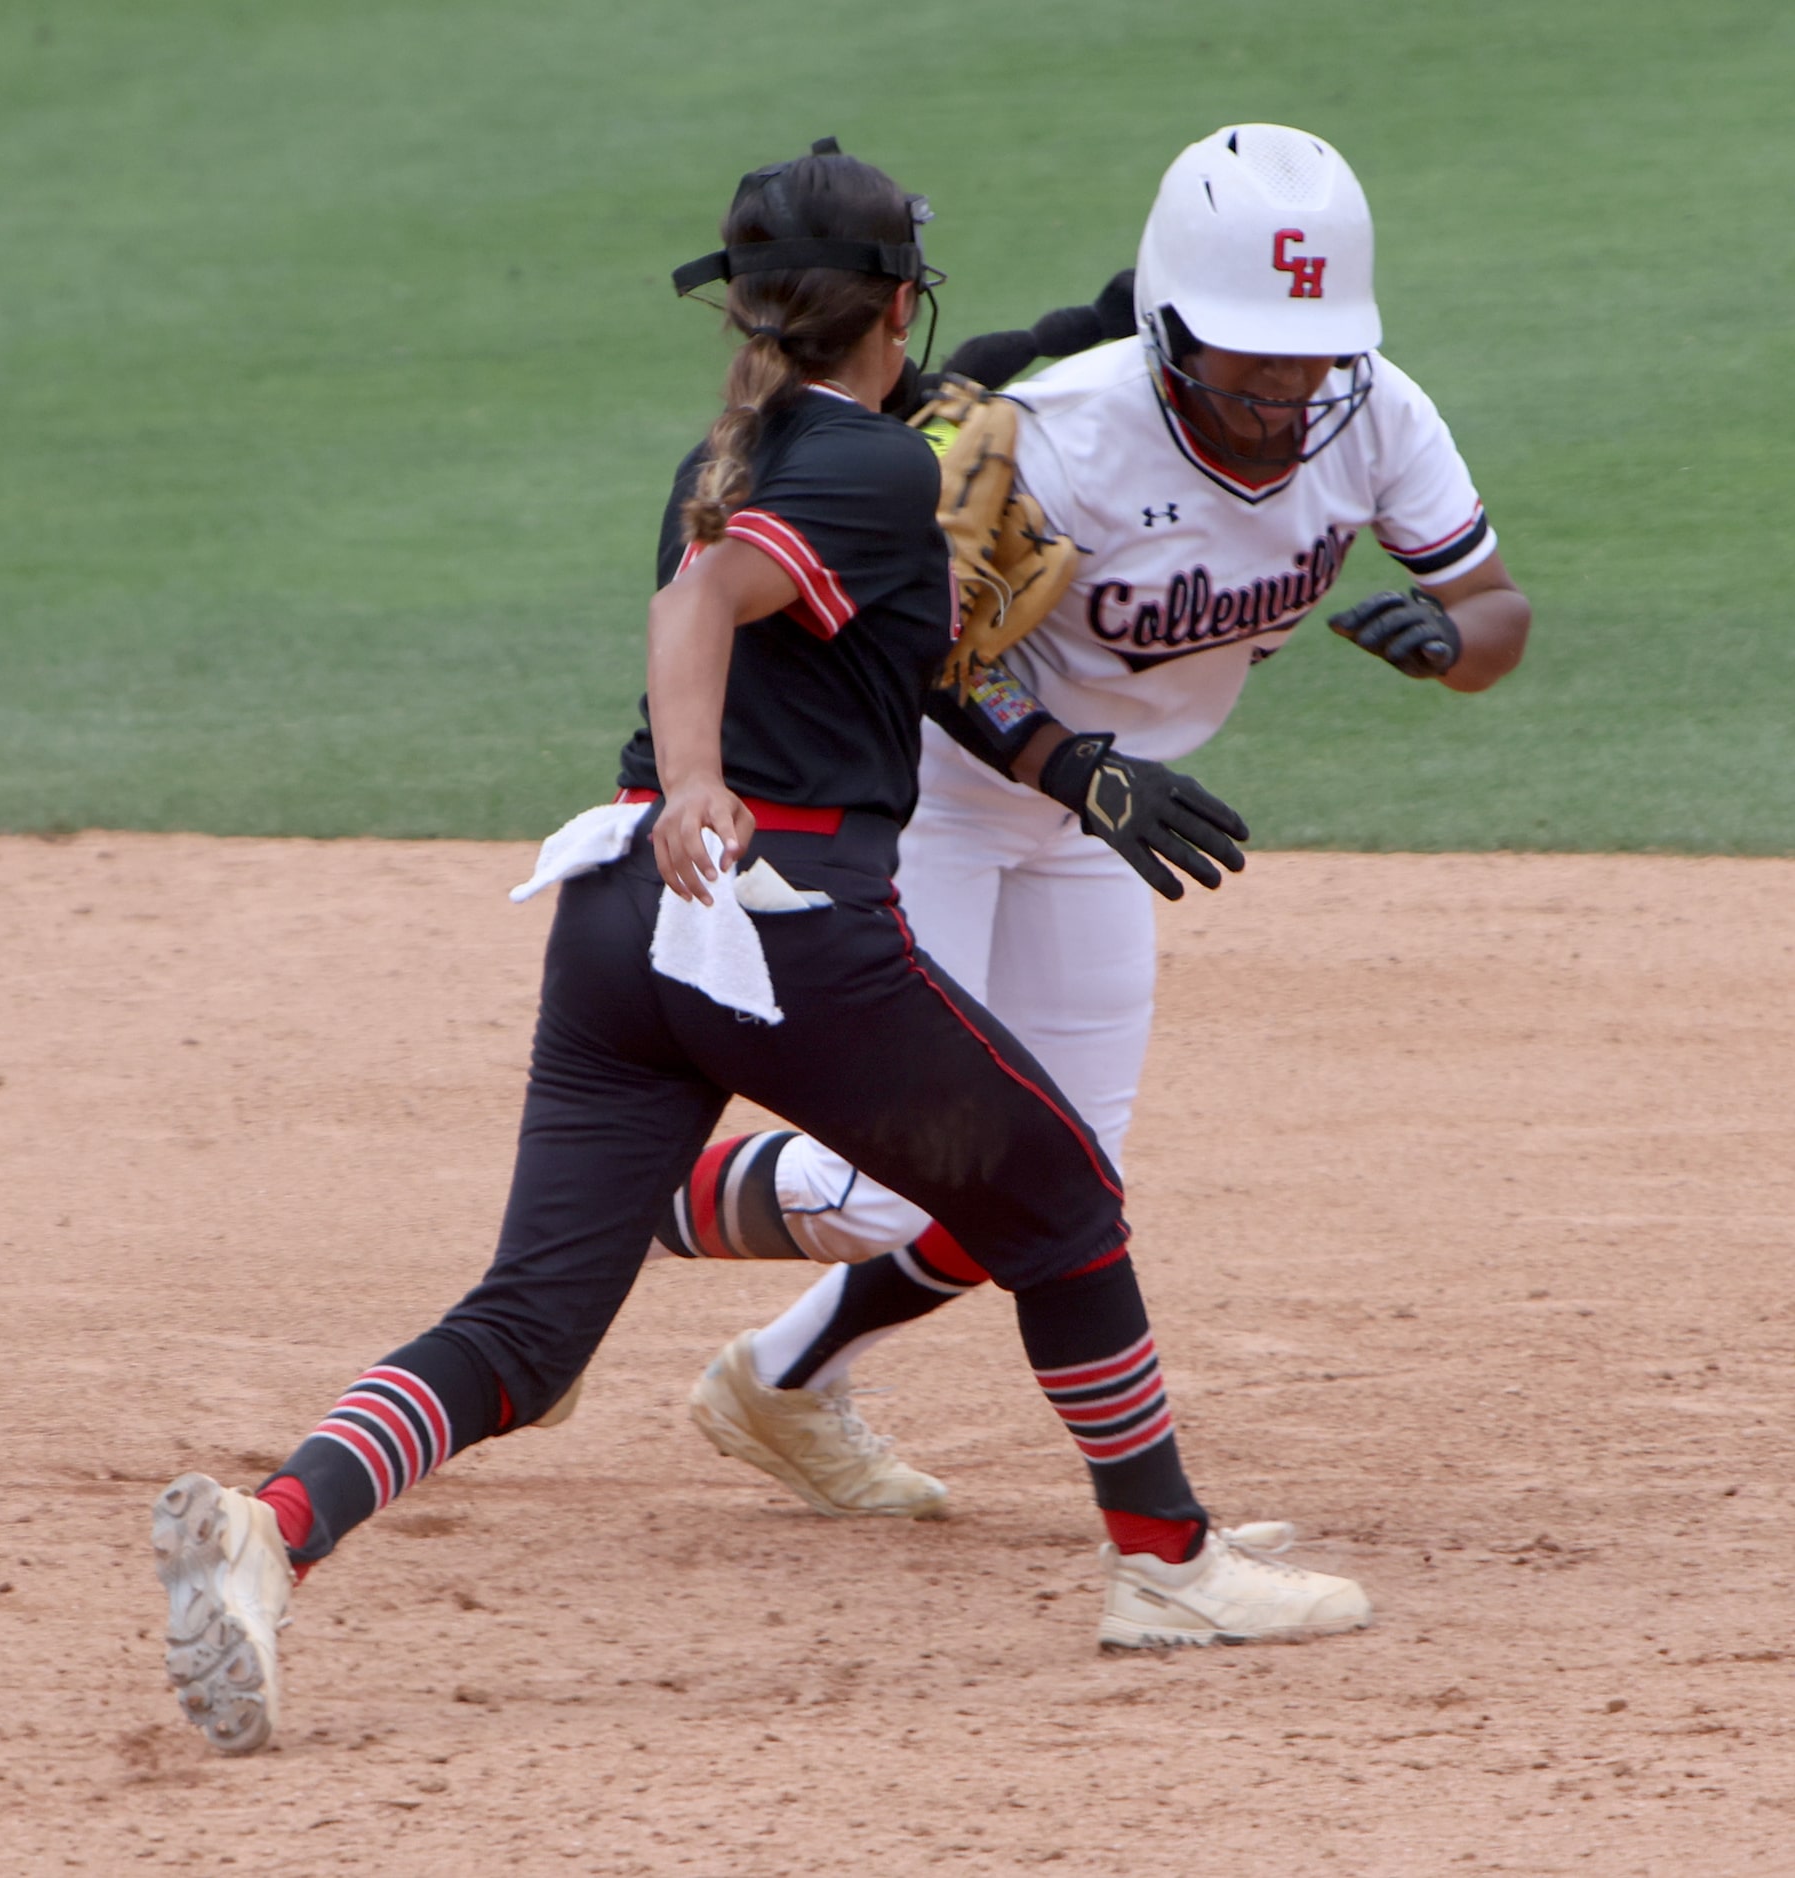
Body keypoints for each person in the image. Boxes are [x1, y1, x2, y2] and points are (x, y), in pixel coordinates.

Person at [149, 140, 1371, 1758]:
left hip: (617, 928)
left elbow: (862, 530)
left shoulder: (753, 442)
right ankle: (1167, 1565)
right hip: (781, 922)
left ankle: (272, 1529)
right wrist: (710, 781)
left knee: (528, 1324)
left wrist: (1050, 745)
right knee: (1065, 1197)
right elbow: (702, 608)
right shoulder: (862, 479)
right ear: (896, 298)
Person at [658, 124, 1533, 1522]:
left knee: (1062, 1173)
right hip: (944, 800)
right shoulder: (1058, 434)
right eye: (1254, 355)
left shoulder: (1377, 415)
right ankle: (621, 1201)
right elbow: (925, 653)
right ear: (1172, 323)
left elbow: (1499, 611)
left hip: (1102, 823)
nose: (1289, 388)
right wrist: (1073, 767)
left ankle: (780, 1381)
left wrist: (1452, 637)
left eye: (1313, 354)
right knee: (874, 1191)